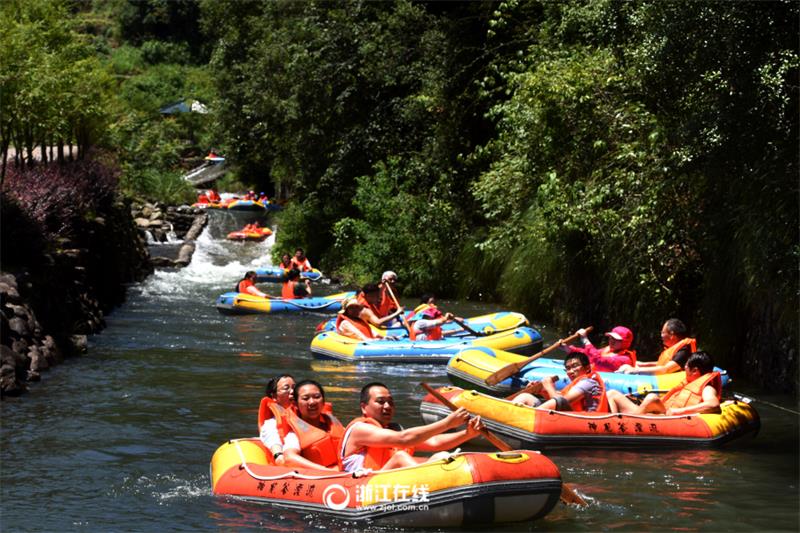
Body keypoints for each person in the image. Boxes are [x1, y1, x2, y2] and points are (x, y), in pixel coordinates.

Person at [340, 382, 485, 472]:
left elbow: (434, 443)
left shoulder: (393, 429)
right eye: (380, 402)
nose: (387, 406)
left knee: (440, 457)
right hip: (364, 487)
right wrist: (447, 423)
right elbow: (404, 439)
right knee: (400, 457)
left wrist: (467, 434)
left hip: (388, 482)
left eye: (390, 402)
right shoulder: (360, 429)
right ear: (364, 407)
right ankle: (433, 486)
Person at [606, 351, 721, 416]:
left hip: (669, 417)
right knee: (612, 394)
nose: (684, 368)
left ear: (695, 370)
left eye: (686, 365)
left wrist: (679, 411)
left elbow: (713, 404)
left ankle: (631, 421)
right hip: (659, 414)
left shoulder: (707, 388)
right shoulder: (688, 383)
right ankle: (613, 424)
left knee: (652, 398)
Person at [280, 380, 344, 471]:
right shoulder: (294, 435)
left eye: (317, 397)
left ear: (323, 400)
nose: (312, 402)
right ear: (295, 404)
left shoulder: (333, 425)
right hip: (321, 476)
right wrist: (327, 471)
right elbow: (289, 458)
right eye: (305, 398)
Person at [512, 352, 608, 412]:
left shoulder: (588, 382)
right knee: (525, 397)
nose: (570, 371)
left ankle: (526, 417)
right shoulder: (577, 384)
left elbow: (562, 403)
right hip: (569, 416)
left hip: (582, 422)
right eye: (568, 368)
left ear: (587, 368)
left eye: (575, 366)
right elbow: (559, 400)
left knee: (529, 402)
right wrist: (542, 390)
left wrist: (549, 386)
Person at [616, 319, 697, 375]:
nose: (661, 336)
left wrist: (635, 370)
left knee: (629, 370)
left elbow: (666, 369)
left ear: (672, 335)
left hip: (671, 384)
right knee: (627, 367)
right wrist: (642, 364)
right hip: (663, 379)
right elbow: (661, 364)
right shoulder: (677, 349)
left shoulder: (684, 350)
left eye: (662, 332)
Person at [258, 374, 296, 465]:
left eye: (295, 387)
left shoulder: (307, 417)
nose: (293, 391)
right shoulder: (270, 425)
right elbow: (279, 458)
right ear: (274, 396)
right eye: (286, 388)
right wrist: (278, 455)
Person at [563, 326, 637, 372]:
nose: (612, 341)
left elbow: (598, 361)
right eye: (611, 337)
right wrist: (568, 349)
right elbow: (588, 354)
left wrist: (585, 340)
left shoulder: (625, 359)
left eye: (616, 339)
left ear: (625, 342)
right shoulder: (609, 350)